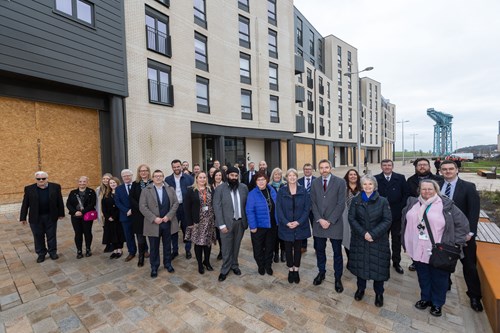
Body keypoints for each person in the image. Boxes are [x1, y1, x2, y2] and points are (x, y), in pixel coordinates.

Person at [402, 179, 469, 317]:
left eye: (430, 189)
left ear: (436, 190)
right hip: (417, 248)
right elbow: (405, 220)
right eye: (423, 189)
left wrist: (456, 243)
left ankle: (437, 303)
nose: (426, 192)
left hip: (438, 250)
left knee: (439, 278)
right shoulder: (413, 203)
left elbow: (462, 225)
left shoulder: (446, 205)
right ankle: (425, 298)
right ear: (419, 190)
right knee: (423, 276)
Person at [439, 160, 483, 312]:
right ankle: (446, 284)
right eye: (444, 169)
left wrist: (470, 232)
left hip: (463, 234)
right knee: (444, 261)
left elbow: (473, 211)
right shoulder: (437, 185)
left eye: (451, 169)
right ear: (440, 171)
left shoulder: (469, 187)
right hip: (443, 233)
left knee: (469, 266)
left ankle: (475, 296)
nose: (448, 171)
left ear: (457, 170)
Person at [348, 175, 392, 307]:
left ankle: (379, 293)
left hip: (377, 240)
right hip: (360, 239)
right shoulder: (356, 200)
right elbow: (352, 218)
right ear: (361, 186)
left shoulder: (383, 201)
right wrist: (363, 233)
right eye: (365, 184)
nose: (367, 187)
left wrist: (372, 233)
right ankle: (360, 289)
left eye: (370, 184)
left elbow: (387, 220)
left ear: (375, 186)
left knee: (378, 267)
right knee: (361, 266)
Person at [310, 159, 346, 292]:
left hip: (334, 223)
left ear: (331, 168)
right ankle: (321, 272)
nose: (324, 170)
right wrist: (319, 219)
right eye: (321, 167)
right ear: (319, 169)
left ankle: (338, 278)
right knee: (320, 251)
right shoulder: (314, 183)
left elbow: (341, 203)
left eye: (326, 167)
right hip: (319, 224)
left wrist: (330, 220)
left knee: (337, 253)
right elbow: (312, 203)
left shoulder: (340, 182)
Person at [139, 169, 179, 278]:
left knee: (167, 245)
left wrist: (168, 216)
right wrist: (153, 218)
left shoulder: (170, 189)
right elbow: (142, 206)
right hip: (153, 224)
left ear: (163, 177)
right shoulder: (146, 190)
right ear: (152, 177)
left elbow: (175, 203)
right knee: (154, 247)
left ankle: (167, 264)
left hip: (167, 223)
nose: (158, 178)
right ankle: (154, 267)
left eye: (160, 176)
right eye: (156, 176)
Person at [406, 158, 443, 271]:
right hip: (417, 214)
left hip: (434, 215)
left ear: (429, 167)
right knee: (417, 238)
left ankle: (436, 260)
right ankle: (416, 260)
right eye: (419, 165)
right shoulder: (410, 180)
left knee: (433, 239)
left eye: (425, 165)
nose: (422, 167)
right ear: (416, 167)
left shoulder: (439, 179)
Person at [20, 171, 65, 263]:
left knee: (51, 235)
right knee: (38, 236)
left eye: (43, 178)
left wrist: (61, 213)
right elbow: (25, 204)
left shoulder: (55, 187)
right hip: (35, 218)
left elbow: (59, 201)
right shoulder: (29, 189)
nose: (41, 180)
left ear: (47, 178)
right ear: (36, 179)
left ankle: (52, 252)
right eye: (38, 179)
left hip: (50, 216)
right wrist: (23, 217)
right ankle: (41, 253)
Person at [374, 159, 410, 274]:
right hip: (381, 217)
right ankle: (383, 262)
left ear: (392, 166)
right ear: (381, 166)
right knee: (382, 240)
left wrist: (400, 209)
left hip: (396, 216)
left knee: (396, 240)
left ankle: (396, 262)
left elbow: (406, 195)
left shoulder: (400, 178)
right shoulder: (375, 179)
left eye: (389, 165)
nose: (387, 167)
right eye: (384, 165)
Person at [213, 166, 249, 282]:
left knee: (236, 246)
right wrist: (221, 225)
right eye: (232, 175)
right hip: (226, 224)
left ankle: (235, 265)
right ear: (227, 176)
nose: (234, 178)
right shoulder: (220, 189)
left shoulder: (243, 188)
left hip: (240, 223)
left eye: (236, 175)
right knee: (226, 248)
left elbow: (247, 206)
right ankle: (225, 269)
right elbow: (217, 207)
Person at [276, 168, 311, 284]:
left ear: (297, 177)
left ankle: (296, 270)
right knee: (287, 248)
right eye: (289, 176)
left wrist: (298, 222)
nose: (292, 177)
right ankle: (290, 269)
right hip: (286, 226)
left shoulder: (303, 191)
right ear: (286, 178)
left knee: (297, 249)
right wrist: (286, 222)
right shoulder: (282, 191)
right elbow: (279, 209)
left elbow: (307, 209)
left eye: (294, 175)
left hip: (299, 226)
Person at [184, 171, 217, 274]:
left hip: (209, 221)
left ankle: (206, 261)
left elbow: (214, 204)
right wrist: (189, 222)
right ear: (196, 179)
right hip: (197, 221)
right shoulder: (190, 190)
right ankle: (199, 264)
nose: (202, 179)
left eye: (204, 177)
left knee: (207, 243)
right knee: (198, 243)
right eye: (200, 177)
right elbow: (186, 208)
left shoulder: (210, 189)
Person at [246, 171, 278, 276]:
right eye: (258, 180)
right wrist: (253, 226)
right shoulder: (252, 194)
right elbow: (249, 211)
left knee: (270, 247)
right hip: (258, 226)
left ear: (267, 180)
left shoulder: (271, 190)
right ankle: (261, 265)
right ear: (255, 182)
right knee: (258, 248)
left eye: (263, 179)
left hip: (271, 225)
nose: (261, 182)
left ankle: (268, 265)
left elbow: (277, 206)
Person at [165, 159, 194, 259]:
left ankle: (188, 250)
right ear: (172, 167)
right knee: (173, 230)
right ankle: (175, 250)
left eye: (178, 166)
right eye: (174, 167)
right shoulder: (167, 180)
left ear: (181, 166)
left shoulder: (189, 178)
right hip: (174, 208)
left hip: (186, 207)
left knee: (187, 230)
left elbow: (193, 193)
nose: (176, 168)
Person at [66, 176, 97, 259]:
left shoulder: (91, 191)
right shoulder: (73, 192)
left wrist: (82, 212)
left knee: (87, 232)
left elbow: (92, 204)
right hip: (75, 216)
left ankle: (88, 249)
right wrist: (75, 212)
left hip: (87, 216)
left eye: (84, 181)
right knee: (78, 233)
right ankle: (79, 250)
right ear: (78, 182)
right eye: (80, 181)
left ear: (87, 182)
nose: (82, 183)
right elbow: (68, 204)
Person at [129, 164, 152, 267]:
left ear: (148, 172)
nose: (143, 172)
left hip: (151, 214)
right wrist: (141, 207)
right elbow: (131, 198)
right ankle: (141, 257)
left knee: (152, 238)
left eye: (145, 170)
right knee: (140, 238)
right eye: (141, 171)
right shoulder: (135, 184)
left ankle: (154, 256)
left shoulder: (153, 183)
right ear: (139, 173)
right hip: (139, 215)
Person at [114, 169, 137, 262]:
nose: (126, 177)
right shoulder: (118, 189)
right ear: (122, 177)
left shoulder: (137, 185)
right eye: (124, 176)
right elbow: (117, 202)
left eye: (128, 175)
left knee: (141, 235)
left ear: (132, 176)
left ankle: (145, 250)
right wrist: (127, 210)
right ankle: (132, 252)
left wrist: (133, 210)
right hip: (125, 216)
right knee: (128, 235)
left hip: (137, 215)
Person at [101, 177, 125, 258]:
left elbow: (120, 206)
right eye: (111, 183)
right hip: (109, 218)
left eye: (114, 182)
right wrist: (107, 216)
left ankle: (119, 250)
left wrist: (114, 216)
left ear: (117, 183)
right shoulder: (106, 194)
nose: (112, 184)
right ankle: (115, 250)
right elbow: (103, 207)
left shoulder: (121, 193)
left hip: (118, 218)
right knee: (111, 234)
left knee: (119, 234)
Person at [342, 169, 361, 262]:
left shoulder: (362, 188)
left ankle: (358, 259)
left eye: (355, 174)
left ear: (357, 176)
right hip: (347, 218)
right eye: (350, 174)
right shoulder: (343, 188)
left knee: (358, 240)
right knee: (347, 239)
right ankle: (350, 259)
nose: (353, 176)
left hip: (360, 219)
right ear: (347, 176)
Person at [298, 163, 316, 252]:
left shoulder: (317, 181)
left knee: (316, 228)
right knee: (303, 227)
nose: (307, 171)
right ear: (303, 170)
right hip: (302, 209)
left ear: (312, 170)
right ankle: (303, 246)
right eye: (305, 169)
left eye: (309, 169)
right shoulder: (299, 181)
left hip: (314, 209)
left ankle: (317, 247)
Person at [270, 167, 286, 263]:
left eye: (279, 174)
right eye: (275, 174)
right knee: (274, 236)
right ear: (273, 175)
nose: (277, 176)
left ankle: (283, 253)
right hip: (273, 215)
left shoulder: (285, 185)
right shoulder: (269, 186)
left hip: (283, 215)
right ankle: (276, 253)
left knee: (283, 235)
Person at [96, 173, 113, 252]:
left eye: (107, 178)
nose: (105, 180)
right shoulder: (99, 189)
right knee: (105, 229)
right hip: (102, 213)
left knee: (112, 229)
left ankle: (113, 244)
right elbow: (96, 202)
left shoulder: (113, 188)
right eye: (104, 179)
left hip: (111, 213)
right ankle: (108, 244)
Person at [211, 169, 226, 260]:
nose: (218, 177)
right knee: (216, 234)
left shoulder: (225, 187)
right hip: (212, 215)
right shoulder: (210, 187)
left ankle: (222, 251)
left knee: (222, 235)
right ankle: (221, 250)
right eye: (216, 175)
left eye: (220, 175)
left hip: (222, 214)